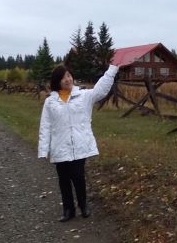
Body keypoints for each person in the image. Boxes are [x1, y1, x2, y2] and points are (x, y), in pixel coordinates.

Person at [38, 63, 119, 221]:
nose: (67, 79)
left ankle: (83, 206)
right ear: (57, 81)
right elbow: (45, 126)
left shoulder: (84, 96)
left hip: (79, 145)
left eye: (69, 75)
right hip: (59, 147)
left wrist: (112, 69)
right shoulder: (50, 102)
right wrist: (43, 149)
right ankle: (68, 210)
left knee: (78, 176)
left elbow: (101, 90)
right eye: (63, 77)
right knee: (64, 179)